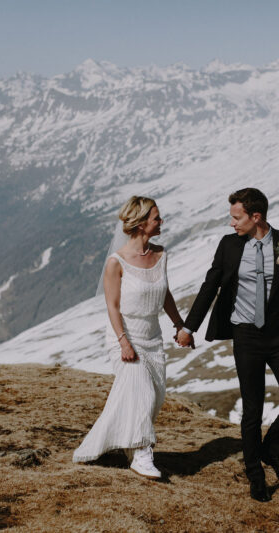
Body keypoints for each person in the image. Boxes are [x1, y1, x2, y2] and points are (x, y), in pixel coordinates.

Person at [176, 187, 279, 502]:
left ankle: (272, 448)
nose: (231, 223)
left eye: (236, 217)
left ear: (256, 217)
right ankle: (256, 475)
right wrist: (189, 327)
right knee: (252, 409)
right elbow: (210, 286)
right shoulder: (229, 246)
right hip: (246, 336)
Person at [73, 196, 188, 479]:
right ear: (140, 223)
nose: (161, 222)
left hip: (153, 336)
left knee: (156, 397)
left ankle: (116, 442)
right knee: (142, 393)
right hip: (125, 336)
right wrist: (124, 341)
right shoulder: (117, 262)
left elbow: (165, 294)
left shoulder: (161, 255)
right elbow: (112, 306)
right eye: (156, 218)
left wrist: (178, 324)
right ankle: (141, 453)